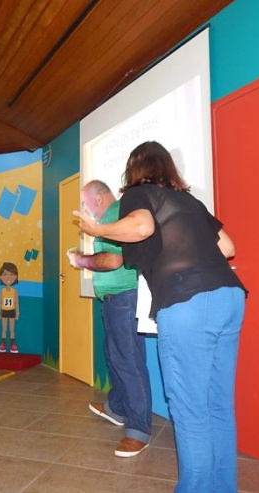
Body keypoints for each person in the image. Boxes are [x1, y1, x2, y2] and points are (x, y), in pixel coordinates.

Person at [73, 141, 247, 493]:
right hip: (229, 298)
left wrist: (97, 230)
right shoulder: (189, 201)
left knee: (190, 410)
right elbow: (228, 248)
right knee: (218, 406)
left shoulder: (139, 194)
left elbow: (140, 229)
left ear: (135, 170)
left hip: (188, 302)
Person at [67, 179, 152, 458]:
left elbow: (113, 260)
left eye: (85, 203)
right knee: (114, 356)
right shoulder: (111, 219)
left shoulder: (115, 214)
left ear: (98, 199)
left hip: (124, 298)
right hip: (115, 300)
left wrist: (80, 260)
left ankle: (139, 430)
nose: (85, 209)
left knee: (128, 361)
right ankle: (117, 408)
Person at [0, 262, 20, 353]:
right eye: (5, 274)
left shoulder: (14, 291)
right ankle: (2, 344)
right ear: (1, 277)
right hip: (4, 311)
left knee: (12, 329)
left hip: (12, 311)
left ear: (16, 277)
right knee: (4, 329)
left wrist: (17, 312)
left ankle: (12, 344)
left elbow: (16, 302)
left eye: (11, 274)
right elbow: (0, 302)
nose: (8, 278)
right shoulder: (2, 291)